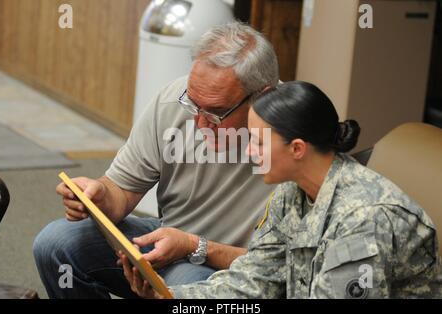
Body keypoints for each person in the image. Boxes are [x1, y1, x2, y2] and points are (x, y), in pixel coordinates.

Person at [123, 81, 442, 299]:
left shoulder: (365, 220)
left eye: (259, 142)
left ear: (298, 149)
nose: (249, 152)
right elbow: (253, 281)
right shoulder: (293, 193)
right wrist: (168, 296)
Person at [32, 22, 279, 298]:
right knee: (55, 243)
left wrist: (194, 246)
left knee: (187, 286)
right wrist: (99, 195)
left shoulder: (294, 137)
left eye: (216, 113)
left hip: (229, 266)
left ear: (263, 96)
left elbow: (282, 267)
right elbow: (121, 191)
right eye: (194, 105)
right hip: (165, 241)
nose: (199, 123)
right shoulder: (173, 101)